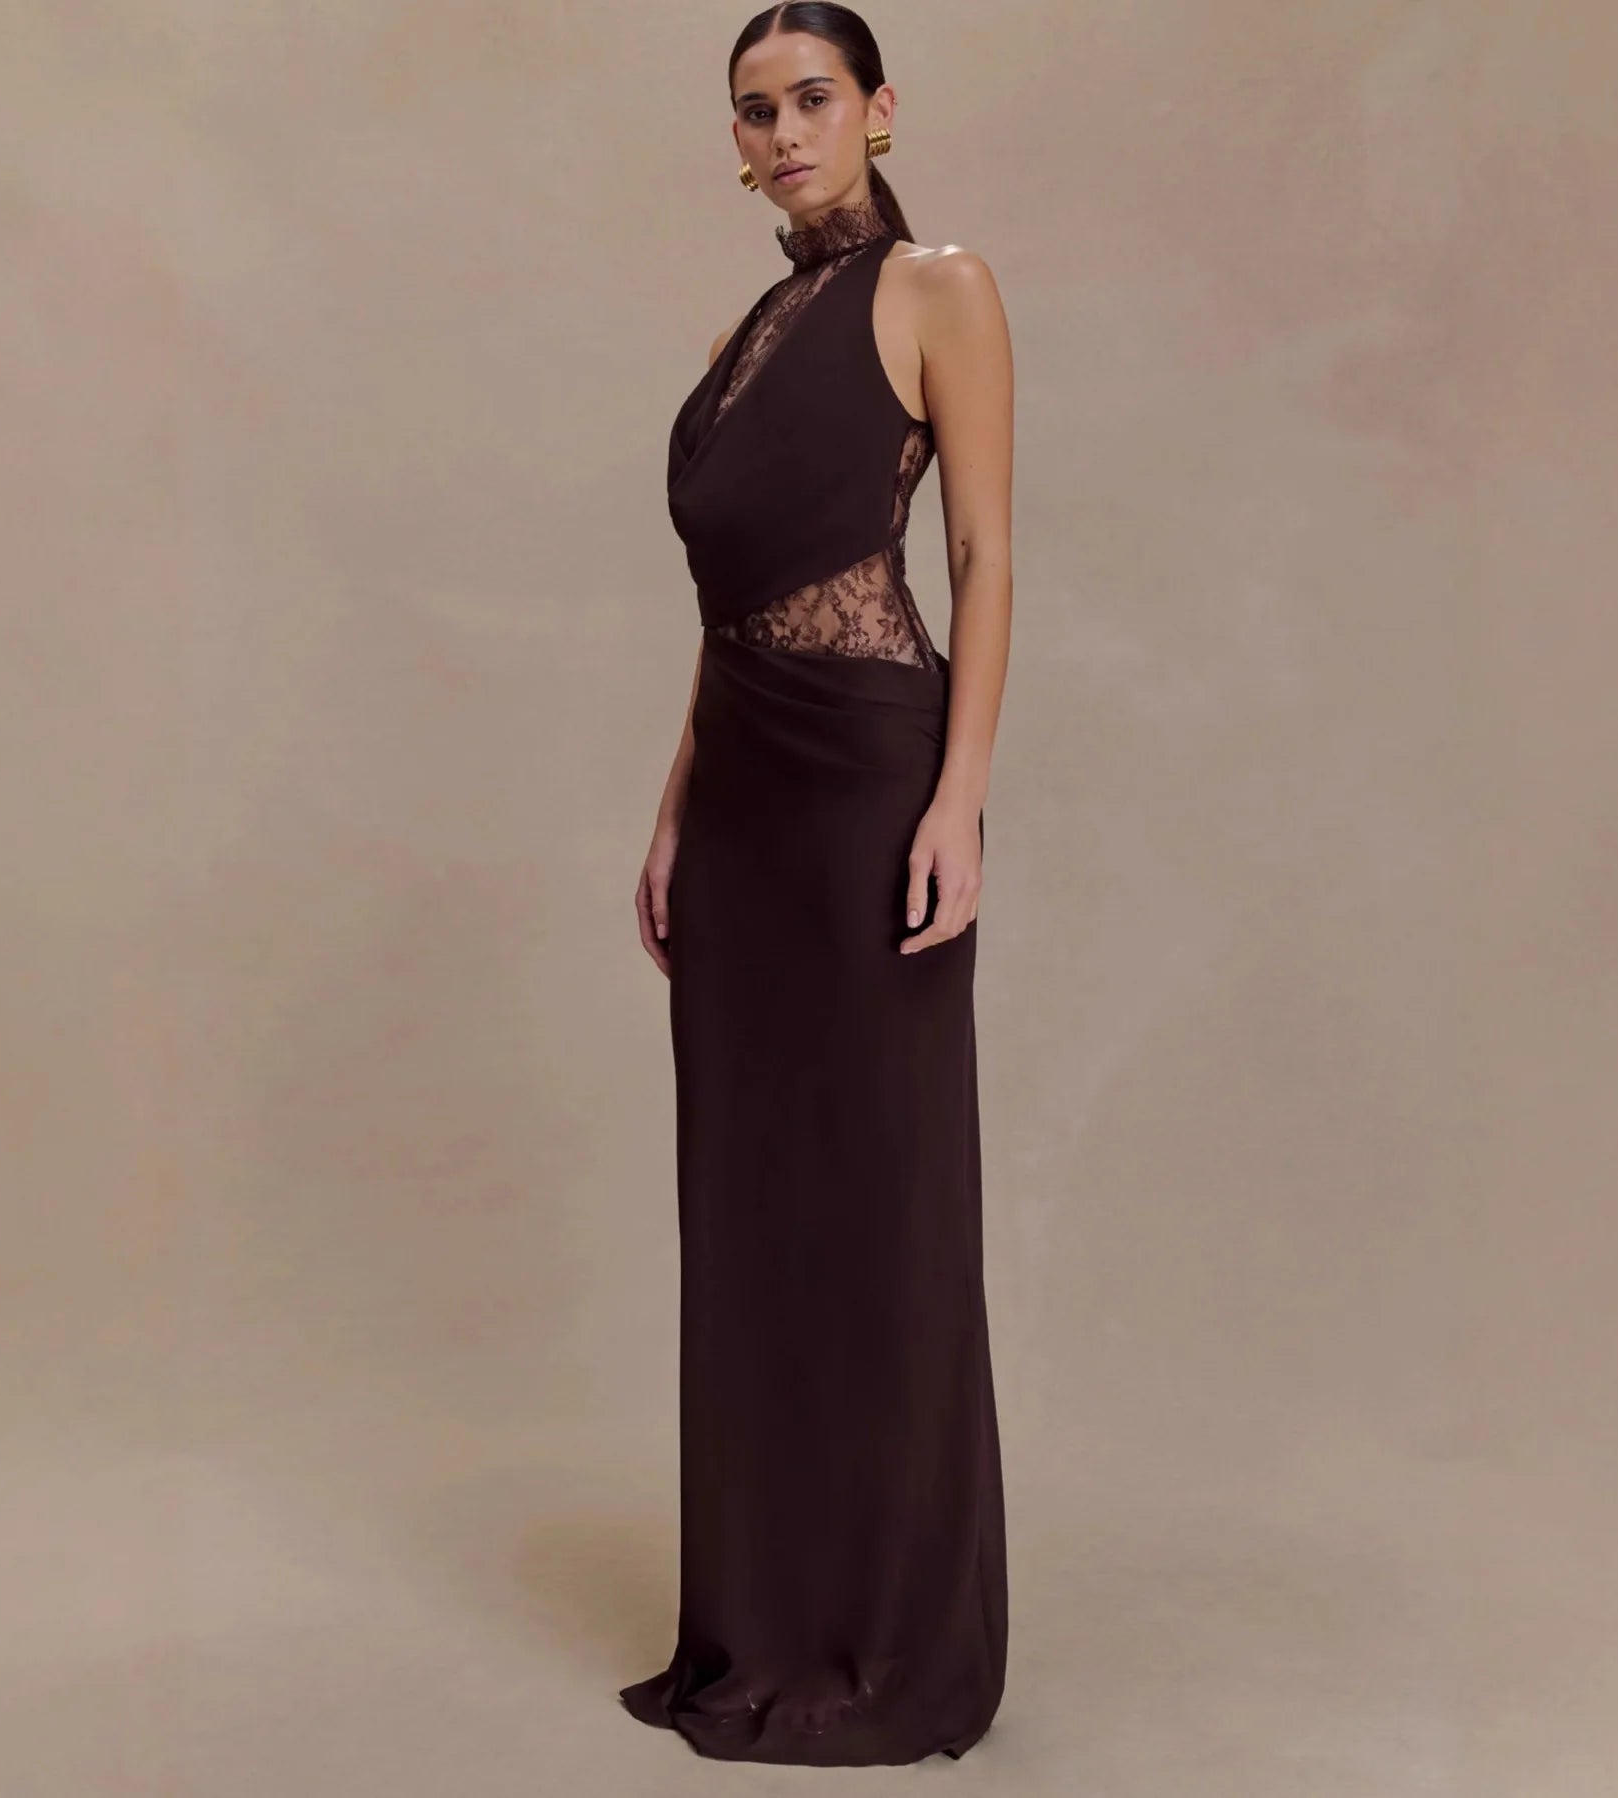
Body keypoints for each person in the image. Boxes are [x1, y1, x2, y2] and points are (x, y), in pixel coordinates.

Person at [622, 2, 1014, 1767]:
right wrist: (671, 815)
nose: (778, 134)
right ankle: (762, 1618)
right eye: (751, 111)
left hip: (870, 784)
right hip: (742, 800)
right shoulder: (739, 336)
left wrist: (960, 797)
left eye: (808, 99)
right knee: (751, 1213)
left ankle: (892, 1637)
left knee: (879, 1206)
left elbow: (982, 551)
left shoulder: (939, 289)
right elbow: (721, 620)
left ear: (876, 108)